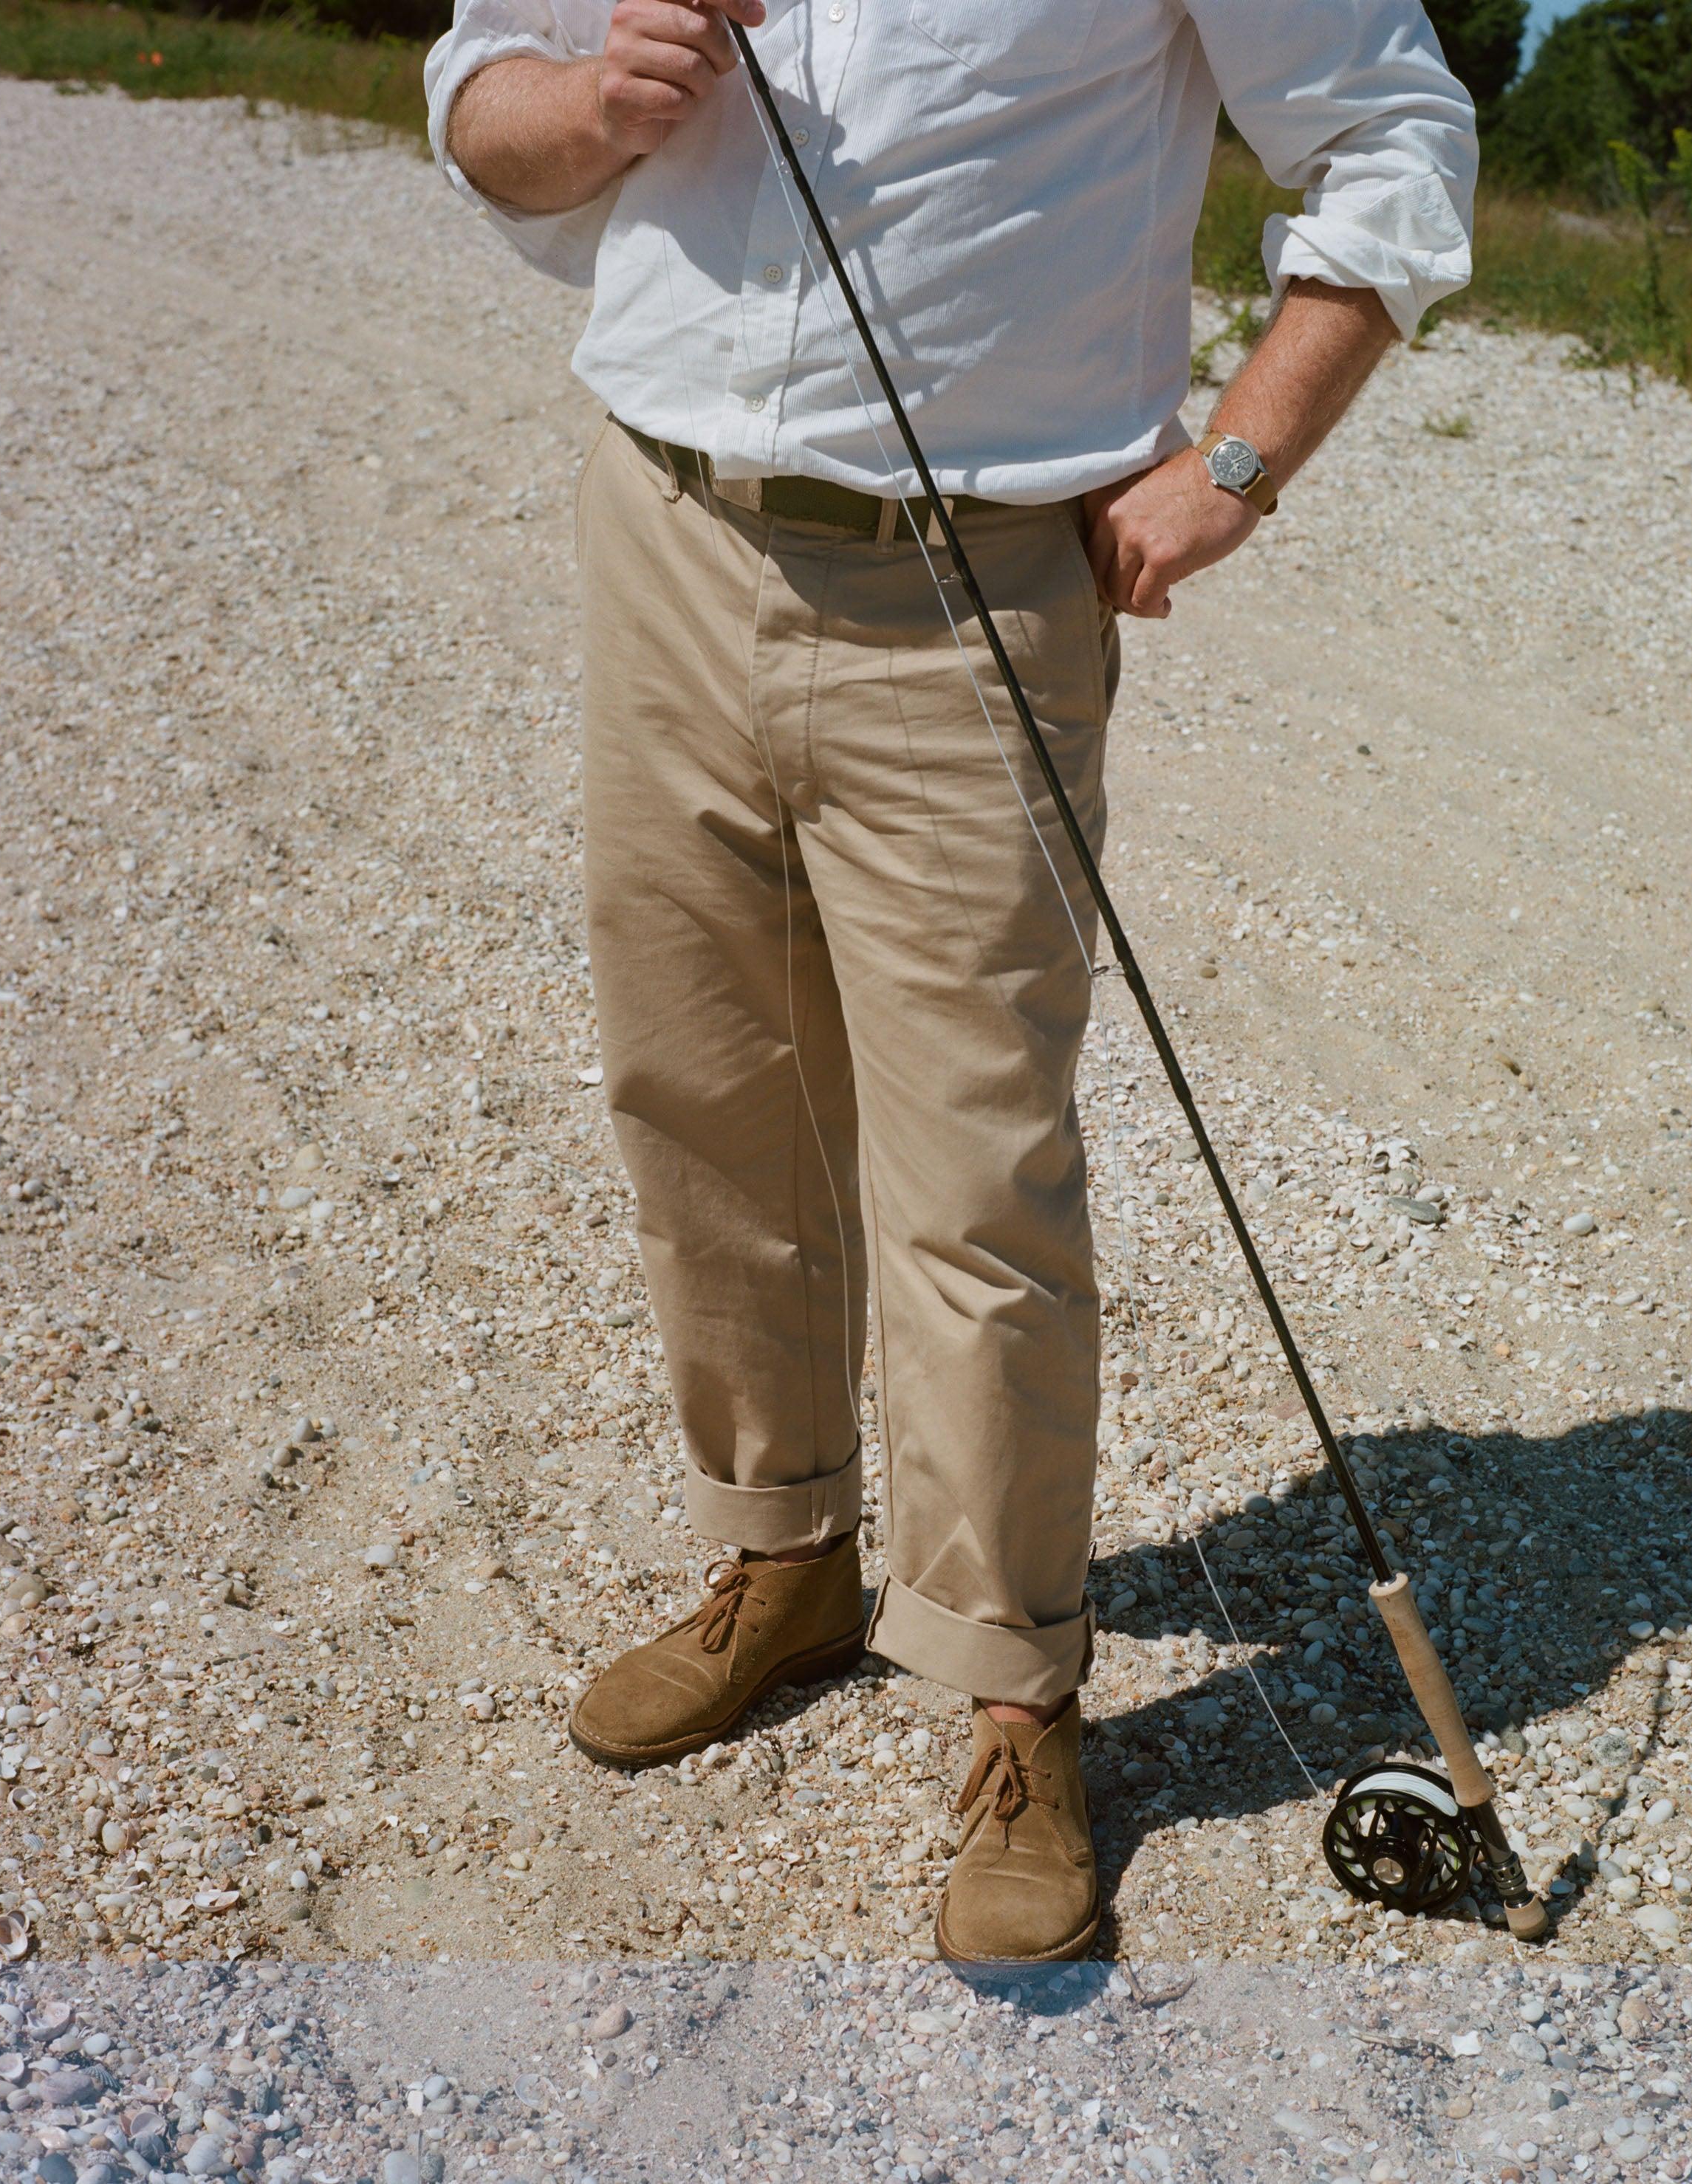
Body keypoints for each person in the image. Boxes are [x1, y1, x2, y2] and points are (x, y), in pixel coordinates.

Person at [424, 0, 1474, 1963]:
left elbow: (1397, 137)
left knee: (977, 1178)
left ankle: (1013, 1696)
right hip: (660, 531)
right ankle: (784, 1560)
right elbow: (482, 103)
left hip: (975, 581)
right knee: (698, 1096)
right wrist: (583, 101)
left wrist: (1240, 458)